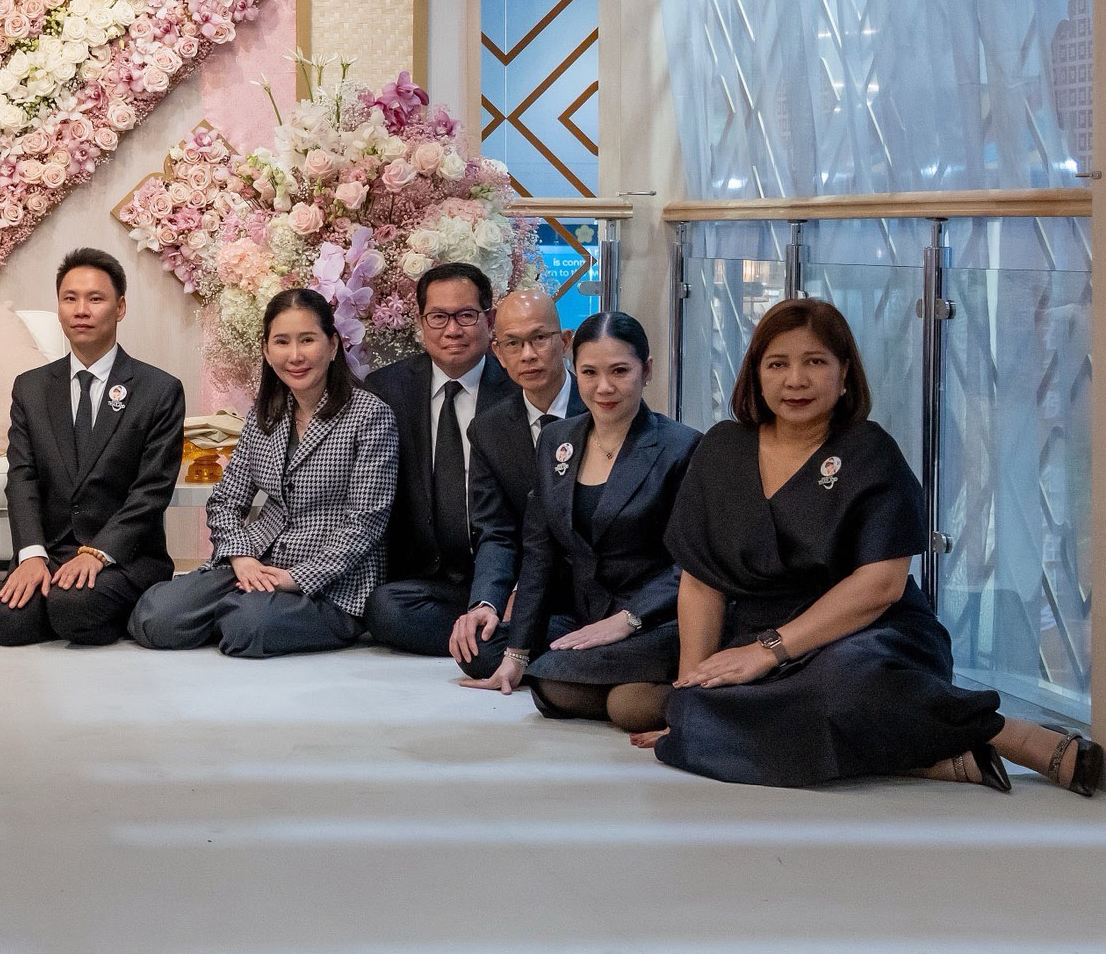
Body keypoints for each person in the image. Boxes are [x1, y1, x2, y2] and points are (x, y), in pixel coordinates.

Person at [653, 298, 1099, 795]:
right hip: (758, 634)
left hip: (869, 636)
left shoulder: (870, 451)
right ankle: (933, 761)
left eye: (815, 362)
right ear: (755, 374)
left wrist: (770, 650)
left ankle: (1008, 734)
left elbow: (880, 585)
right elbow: (700, 582)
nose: (795, 380)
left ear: (844, 374)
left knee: (845, 688)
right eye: (777, 364)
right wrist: (693, 684)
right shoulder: (721, 448)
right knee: (693, 711)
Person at [128, 288, 398, 657]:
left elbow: (365, 524)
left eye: (308, 340)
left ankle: (235, 612)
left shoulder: (369, 415)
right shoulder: (265, 413)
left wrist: (295, 578)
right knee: (155, 617)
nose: (296, 355)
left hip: (332, 582)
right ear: (267, 351)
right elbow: (225, 501)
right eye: (282, 342)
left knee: (247, 626)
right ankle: (233, 606)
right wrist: (241, 558)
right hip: (257, 562)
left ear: (333, 345)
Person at [465, 312, 698, 733]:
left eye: (620, 371)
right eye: (590, 372)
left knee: (592, 691)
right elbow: (540, 552)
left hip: (659, 618)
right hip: (585, 616)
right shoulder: (559, 440)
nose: (603, 387)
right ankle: (625, 688)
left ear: (647, 370)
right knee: (530, 672)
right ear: (575, 370)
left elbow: (690, 565)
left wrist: (628, 619)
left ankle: (656, 693)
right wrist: (516, 655)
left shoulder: (681, 447)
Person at [0, 249, 183, 648]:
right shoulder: (31, 387)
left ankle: (82, 605)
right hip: (53, 551)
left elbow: (151, 491)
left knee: (75, 608)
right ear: (58, 308)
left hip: (123, 555)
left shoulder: (159, 390)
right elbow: (22, 478)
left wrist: (99, 553)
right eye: (70, 298)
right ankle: (52, 601)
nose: (81, 310)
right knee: (0, 624)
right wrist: (32, 555)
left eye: (95, 298)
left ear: (120, 307)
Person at [363, 263, 518, 661]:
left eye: (466, 316)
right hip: (425, 583)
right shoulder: (386, 390)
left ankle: (495, 627)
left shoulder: (517, 390)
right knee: (383, 610)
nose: (452, 330)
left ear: (490, 319)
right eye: (438, 317)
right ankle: (494, 640)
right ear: (421, 323)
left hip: (504, 573)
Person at [447, 288, 586, 678]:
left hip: (601, 588)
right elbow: (496, 531)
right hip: (534, 593)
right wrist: (487, 602)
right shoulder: (489, 429)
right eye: (513, 343)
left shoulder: (599, 406)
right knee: (476, 653)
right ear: (498, 352)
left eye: (540, 338)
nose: (528, 354)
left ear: (564, 342)